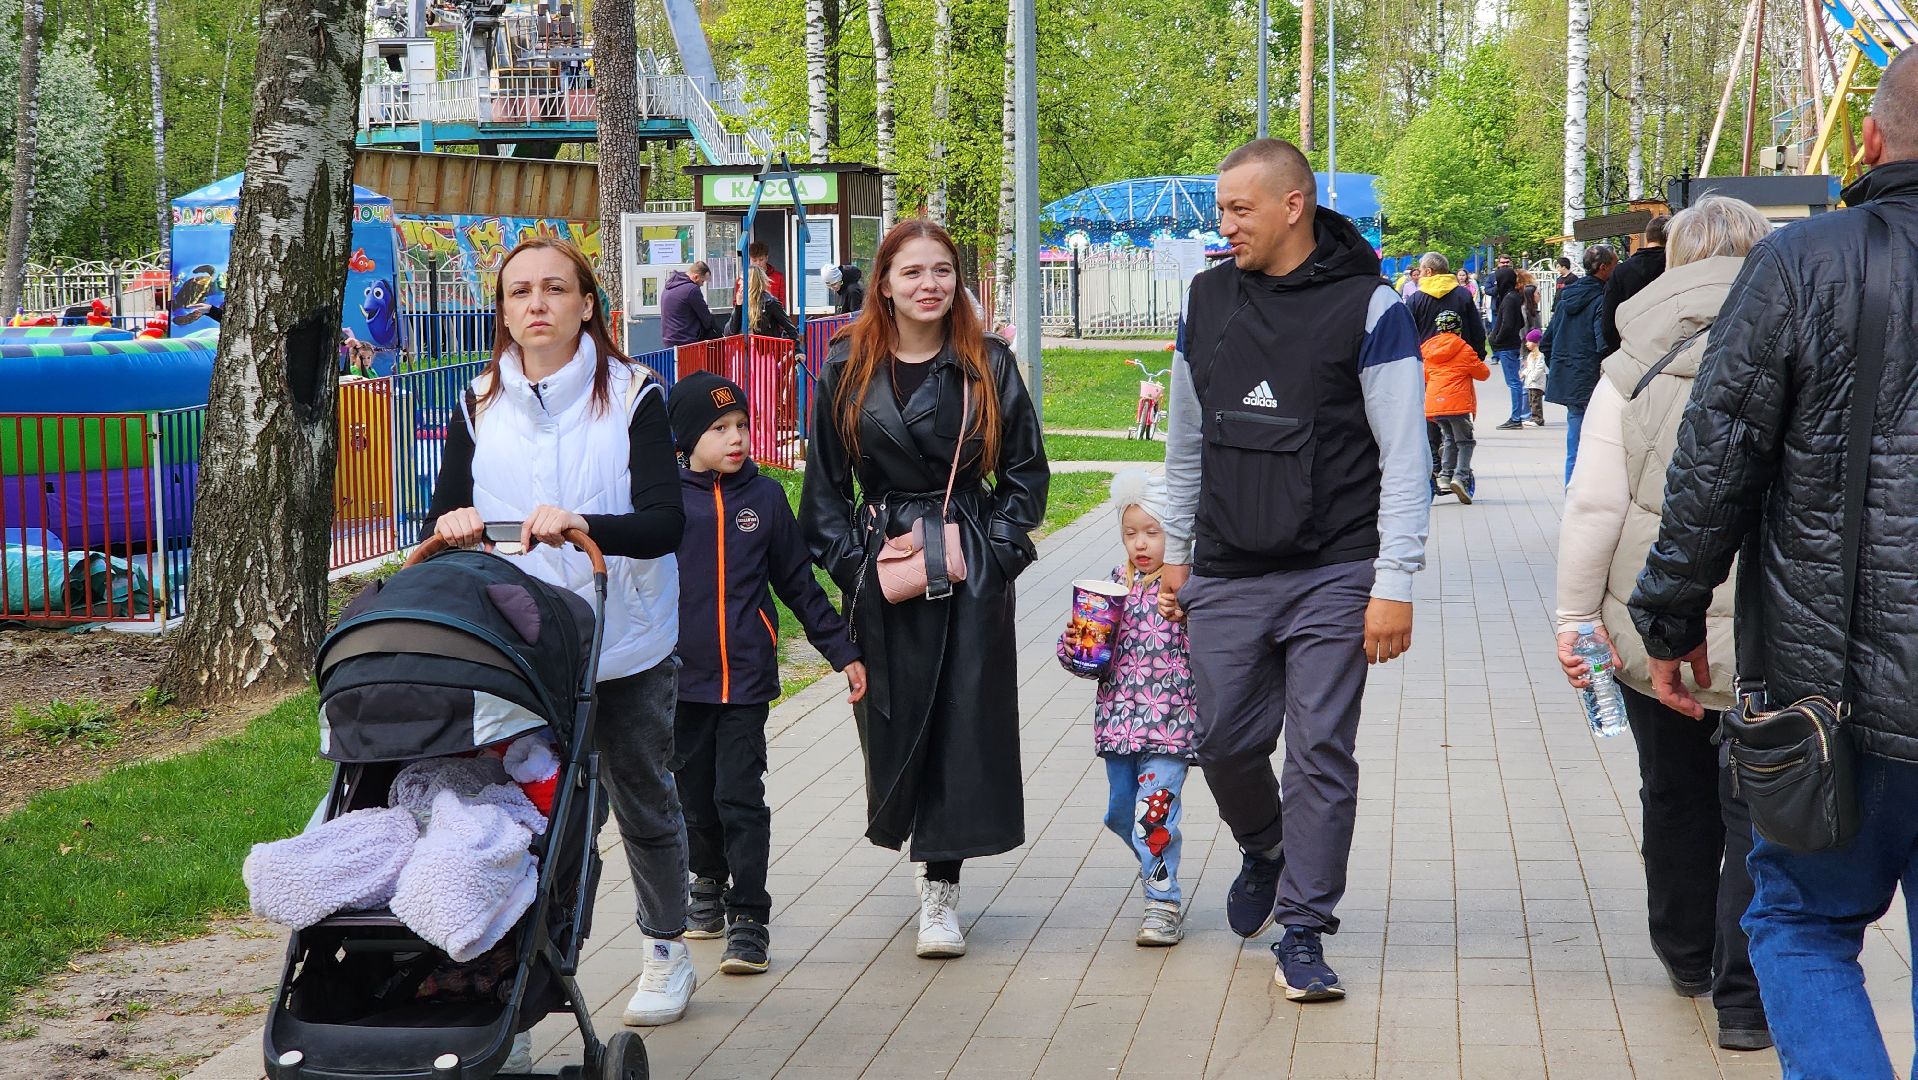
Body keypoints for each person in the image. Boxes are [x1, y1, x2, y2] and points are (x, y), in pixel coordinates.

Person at [1629, 52, 1918, 1074]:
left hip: (1835, 695)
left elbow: (1715, 460)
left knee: (1797, 925)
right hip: (1844, 688)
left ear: (1868, 143)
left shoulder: (1805, 263)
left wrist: (1666, 623)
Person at [1159, 138, 1430, 1002]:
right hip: (1229, 567)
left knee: (1320, 748)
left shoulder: (1369, 305)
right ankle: (1268, 849)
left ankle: (1305, 928)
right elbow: (1186, 442)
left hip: (1336, 568)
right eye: (1221, 208)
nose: (1224, 224)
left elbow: (1407, 454)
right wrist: (1174, 554)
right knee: (1222, 742)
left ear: (1293, 205)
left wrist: (1396, 581)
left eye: (1239, 208)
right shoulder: (1206, 300)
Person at [422, 238, 696, 1027]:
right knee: (539, 816)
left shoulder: (635, 393)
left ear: (586, 303)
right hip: (522, 650)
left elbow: (664, 523)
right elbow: (440, 515)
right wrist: (456, 521)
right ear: (503, 310)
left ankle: (666, 948)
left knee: (641, 798)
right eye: (519, 293)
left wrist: (583, 523)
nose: (536, 304)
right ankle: (531, 970)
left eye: (554, 289)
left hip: (624, 643)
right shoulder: (478, 403)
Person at [1556, 195, 1775, 1053]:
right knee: (1758, 805)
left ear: (1674, 259)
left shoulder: (1631, 362)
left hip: (1654, 625)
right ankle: (1745, 987)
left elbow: (1594, 506)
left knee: (1672, 792)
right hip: (1766, 630)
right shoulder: (1799, 344)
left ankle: (1685, 952)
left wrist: (1576, 617)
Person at [799, 218, 1049, 961]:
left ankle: (941, 887)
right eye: (912, 272)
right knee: (892, 720)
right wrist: (855, 568)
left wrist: (995, 553)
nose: (929, 285)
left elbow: (1027, 476)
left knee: (962, 727)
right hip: (885, 569)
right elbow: (821, 492)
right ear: (883, 283)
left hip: (967, 566)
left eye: (942, 270)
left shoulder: (988, 365)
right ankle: (914, 844)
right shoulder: (845, 366)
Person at [666, 371, 867, 975]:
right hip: (680, 680)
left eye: (743, 425)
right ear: (685, 440)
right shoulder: (664, 502)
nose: (737, 438)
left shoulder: (766, 498)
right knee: (692, 798)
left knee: (739, 797)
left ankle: (749, 916)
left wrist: (843, 652)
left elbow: (799, 587)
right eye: (720, 428)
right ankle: (707, 881)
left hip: (745, 681)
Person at [1056, 470, 1199, 948]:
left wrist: (1189, 616)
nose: (1141, 543)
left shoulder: (1189, 590)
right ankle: (1154, 864)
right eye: (1131, 532)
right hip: (1119, 730)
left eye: (1153, 533)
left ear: (1176, 535)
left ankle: (1163, 903)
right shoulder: (1114, 587)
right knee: (1122, 816)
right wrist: (1074, 644)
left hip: (1170, 731)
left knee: (1152, 821)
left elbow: (1217, 651)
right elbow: (1086, 663)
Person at [1541, 244, 1616, 484]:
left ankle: (1571, 495)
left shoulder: (1566, 298)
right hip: (1593, 380)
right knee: (1601, 447)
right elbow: (1603, 344)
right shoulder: (1602, 299)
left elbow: (1547, 342)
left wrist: (1561, 367)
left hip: (1572, 381)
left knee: (1575, 445)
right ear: (1603, 268)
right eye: (1615, 264)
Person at [1423, 309, 1490, 504]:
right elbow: (1483, 374)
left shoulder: (1428, 348)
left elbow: (1425, 375)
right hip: (1458, 404)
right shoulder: (1463, 348)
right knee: (1465, 442)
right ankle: (1460, 477)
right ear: (1459, 329)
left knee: (1449, 438)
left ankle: (1444, 477)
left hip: (1434, 403)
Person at [1602, 214, 1670, 352]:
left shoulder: (1621, 271)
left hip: (1630, 350)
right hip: (1668, 352)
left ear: (1647, 236)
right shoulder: (1674, 268)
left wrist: (1622, 350)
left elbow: (1608, 324)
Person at [1489, 265, 1528, 428]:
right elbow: (1519, 322)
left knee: (1513, 382)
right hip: (1509, 344)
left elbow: (1509, 324)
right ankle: (1517, 415)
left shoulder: (1510, 299)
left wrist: (1496, 339)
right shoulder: (1512, 297)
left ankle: (1516, 417)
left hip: (1507, 345)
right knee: (1514, 382)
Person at [661, 260, 722, 348]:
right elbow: (706, 317)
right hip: (686, 342)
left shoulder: (669, 286)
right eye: (702, 281)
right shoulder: (692, 290)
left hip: (669, 341)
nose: (702, 285)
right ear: (696, 277)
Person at [1521, 328, 1547, 427]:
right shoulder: (1530, 355)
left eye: (1529, 341)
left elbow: (1539, 369)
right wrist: (1523, 373)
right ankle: (1533, 417)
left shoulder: (1540, 355)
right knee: (1531, 401)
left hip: (1536, 383)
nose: (1526, 344)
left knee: (1536, 401)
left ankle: (1538, 419)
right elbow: (1529, 368)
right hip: (1531, 383)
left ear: (1535, 343)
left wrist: (1533, 378)